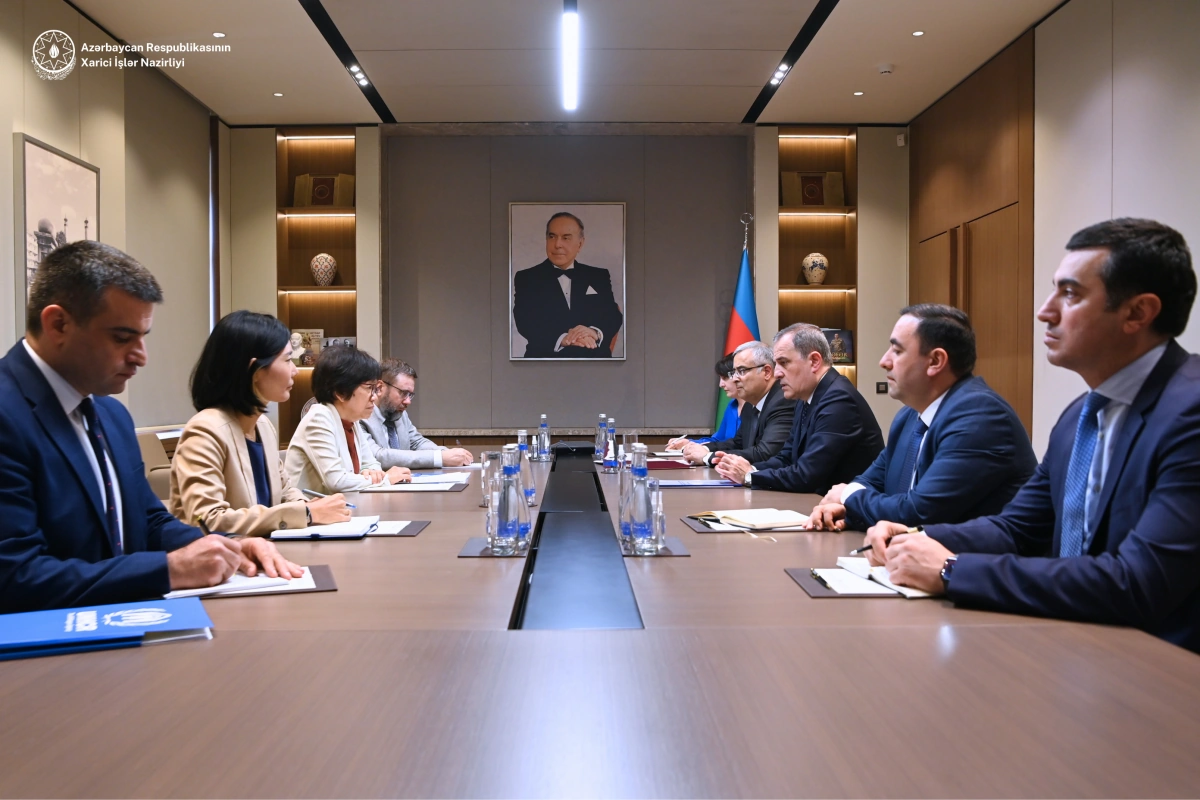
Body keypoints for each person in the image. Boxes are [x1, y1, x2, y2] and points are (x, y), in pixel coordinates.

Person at [863, 218, 1200, 652]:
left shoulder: (1189, 413)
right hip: (1075, 645)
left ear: (1137, 313)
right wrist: (919, 536)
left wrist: (951, 569)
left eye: (1071, 294)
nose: (1045, 310)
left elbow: (1138, 582)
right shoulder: (1079, 416)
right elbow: (1017, 529)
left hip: (1163, 665)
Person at [0, 241, 301, 613]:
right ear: (58, 324)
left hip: (125, 627)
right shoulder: (8, 414)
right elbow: (14, 577)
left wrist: (229, 546)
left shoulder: (111, 415)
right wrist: (167, 570)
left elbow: (148, 521)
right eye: (122, 338)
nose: (141, 357)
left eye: (143, 338)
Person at [806, 304, 1036, 531]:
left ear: (935, 361)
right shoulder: (909, 416)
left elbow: (919, 513)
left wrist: (847, 496)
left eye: (897, 351)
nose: (884, 361)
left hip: (973, 555)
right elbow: (871, 482)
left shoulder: (980, 417)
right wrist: (843, 508)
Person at [169, 311, 352, 537]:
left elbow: (285, 491)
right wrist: (306, 513)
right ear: (254, 370)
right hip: (226, 557)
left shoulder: (263, 425)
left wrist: (309, 506)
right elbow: (206, 520)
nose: (295, 370)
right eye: (287, 360)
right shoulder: (205, 431)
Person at [715, 323, 883, 494]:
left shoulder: (839, 400)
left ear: (814, 361)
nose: (777, 373)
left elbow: (807, 475)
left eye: (784, 363)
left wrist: (749, 476)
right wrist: (750, 469)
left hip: (845, 507)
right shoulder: (805, 397)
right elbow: (786, 458)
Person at [285, 347, 411, 493]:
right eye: (369, 388)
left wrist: (370, 472)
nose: (374, 396)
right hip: (309, 506)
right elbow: (337, 481)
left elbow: (372, 464)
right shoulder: (319, 418)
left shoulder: (352, 420)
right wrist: (385, 479)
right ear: (341, 392)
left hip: (346, 503)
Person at [512, 212, 623, 358]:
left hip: (595, 360)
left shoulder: (598, 276)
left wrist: (593, 332)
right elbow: (525, 321)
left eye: (566, 238)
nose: (557, 244)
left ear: (580, 244)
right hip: (545, 361)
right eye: (552, 237)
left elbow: (612, 315)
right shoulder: (527, 278)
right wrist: (563, 339)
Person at [680, 341, 796, 466]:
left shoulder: (783, 401)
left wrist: (707, 457)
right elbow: (737, 443)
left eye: (741, 371)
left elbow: (766, 453)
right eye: (733, 372)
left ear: (766, 372)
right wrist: (705, 448)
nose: (734, 379)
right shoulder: (750, 405)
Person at [360, 359, 473, 469]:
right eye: (403, 393)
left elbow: (417, 442)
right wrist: (439, 457)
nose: (408, 401)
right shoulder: (359, 416)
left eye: (410, 395)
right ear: (380, 388)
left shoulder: (398, 412)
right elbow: (377, 456)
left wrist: (448, 453)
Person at [666, 353, 741, 450]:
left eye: (725, 378)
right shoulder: (732, 405)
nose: (721, 384)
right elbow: (718, 440)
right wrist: (689, 443)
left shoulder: (755, 408)